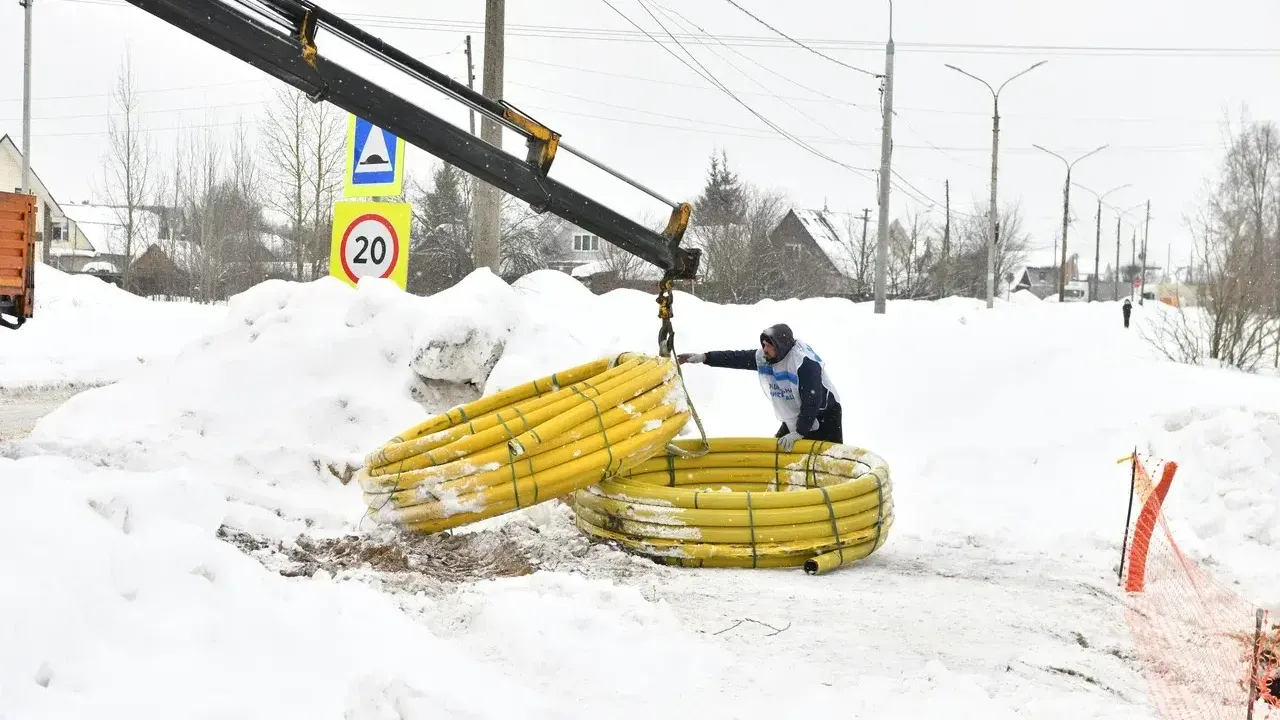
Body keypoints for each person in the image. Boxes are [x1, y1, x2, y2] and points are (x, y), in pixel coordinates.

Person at [677, 323, 842, 451]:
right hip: (797, 411)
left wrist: (799, 432)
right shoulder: (766, 357)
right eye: (763, 344)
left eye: (768, 346)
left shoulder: (803, 363)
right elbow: (737, 358)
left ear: (781, 346)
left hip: (823, 413)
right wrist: (706, 357)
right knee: (779, 451)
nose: (764, 350)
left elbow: (812, 400)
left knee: (826, 456)